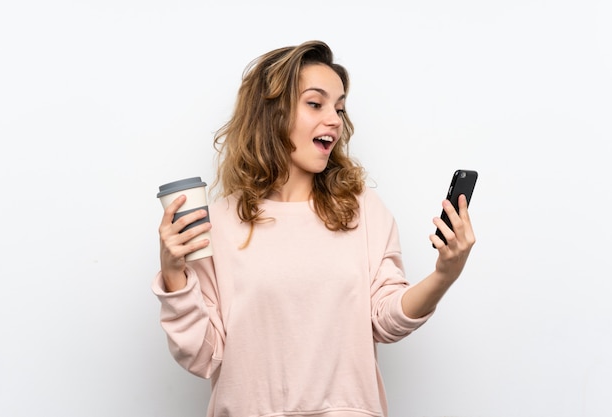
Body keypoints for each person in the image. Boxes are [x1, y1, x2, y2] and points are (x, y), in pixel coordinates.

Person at [152, 40, 476, 417]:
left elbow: (387, 319)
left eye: (339, 108)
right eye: (315, 103)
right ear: (271, 113)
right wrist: (175, 275)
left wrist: (445, 274)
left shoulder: (361, 210)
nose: (335, 120)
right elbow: (202, 355)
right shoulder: (218, 223)